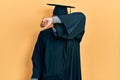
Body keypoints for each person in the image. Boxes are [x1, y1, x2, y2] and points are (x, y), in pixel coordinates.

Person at [31, 4, 86, 80]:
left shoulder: (74, 36)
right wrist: (34, 78)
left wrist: (54, 19)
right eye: (54, 17)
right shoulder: (44, 35)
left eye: (60, 19)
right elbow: (37, 58)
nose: (58, 24)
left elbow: (81, 17)